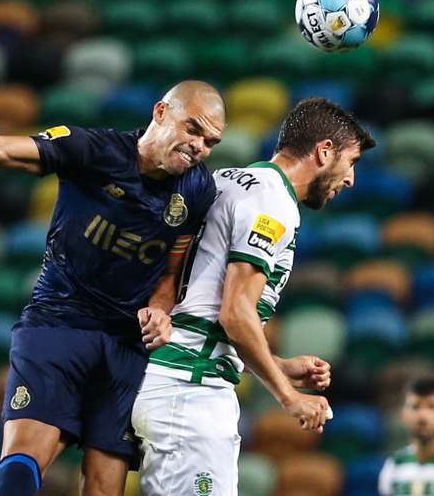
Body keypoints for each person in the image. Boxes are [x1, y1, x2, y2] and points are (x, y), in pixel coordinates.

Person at [0, 81, 226, 496]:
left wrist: (160, 310)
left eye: (210, 141)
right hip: (58, 326)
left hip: (127, 348)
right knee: (19, 470)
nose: (199, 146)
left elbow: (169, 273)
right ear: (161, 111)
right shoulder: (92, 151)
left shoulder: (198, 190)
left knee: (104, 489)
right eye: (193, 129)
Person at [131, 97, 376, 495]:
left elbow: (202, 309)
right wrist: (288, 395)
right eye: (351, 163)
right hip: (189, 394)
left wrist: (277, 364)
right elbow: (234, 312)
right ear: (324, 151)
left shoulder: (227, 178)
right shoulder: (273, 204)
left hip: (160, 376)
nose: (350, 179)